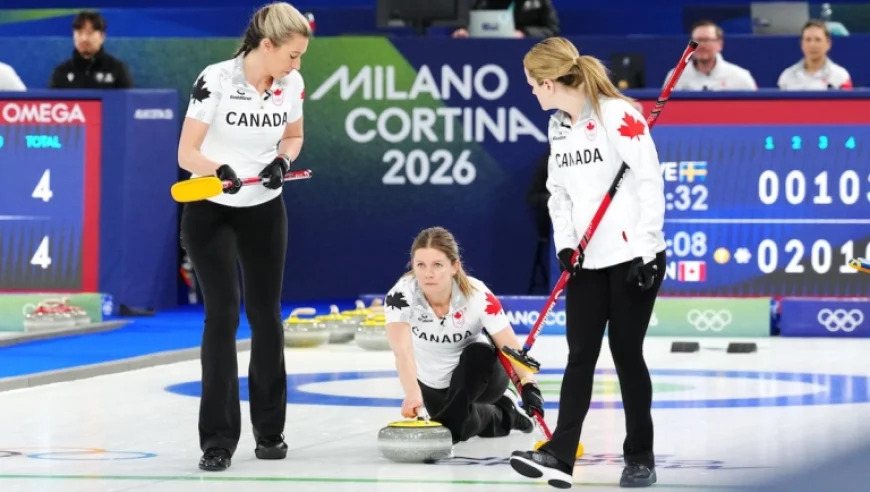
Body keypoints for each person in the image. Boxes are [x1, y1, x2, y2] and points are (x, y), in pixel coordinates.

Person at [508, 37, 667, 489]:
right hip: (587, 258)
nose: (532, 94)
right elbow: (558, 193)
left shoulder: (617, 114)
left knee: (625, 352)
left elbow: (650, 180)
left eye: (532, 86)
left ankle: (640, 456)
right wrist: (566, 243)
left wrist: (647, 247)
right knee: (579, 356)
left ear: (549, 81)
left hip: (634, 256)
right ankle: (560, 453)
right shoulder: (559, 127)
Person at [176, 2, 310, 472]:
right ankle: (217, 439)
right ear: (266, 46)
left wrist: (282, 163)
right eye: (292, 55)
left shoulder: (290, 84)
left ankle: (270, 432)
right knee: (223, 316)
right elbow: (187, 152)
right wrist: (221, 170)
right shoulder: (215, 79)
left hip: (263, 210)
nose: (297, 66)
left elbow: (293, 137)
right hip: (210, 211)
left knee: (267, 317)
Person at [384, 226, 544, 446]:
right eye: (420, 265)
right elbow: (402, 353)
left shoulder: (478, 295)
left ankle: (447, 430)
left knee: (477, 352)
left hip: (483, 378)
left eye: (437, 265)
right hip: (434, 383)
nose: (428, 273)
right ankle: (509, 413)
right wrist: (413, 394)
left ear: (454, 267)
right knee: (464, 423)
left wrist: (528, 384)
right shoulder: (400, 297)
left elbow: (510, 347)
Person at [48, 11, 133, 89]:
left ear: (102, 36)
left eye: (90, 33)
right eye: (79, 33)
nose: (84, 38)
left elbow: (128, 103)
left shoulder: (117, 70)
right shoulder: (61, 72)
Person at [777, 20, 852, 90]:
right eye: (808, 40)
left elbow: (849, 103)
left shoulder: (841, 76)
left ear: (828, 44)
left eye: (818, 40)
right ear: (802, 44)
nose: (812, 45)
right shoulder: (786, 76)